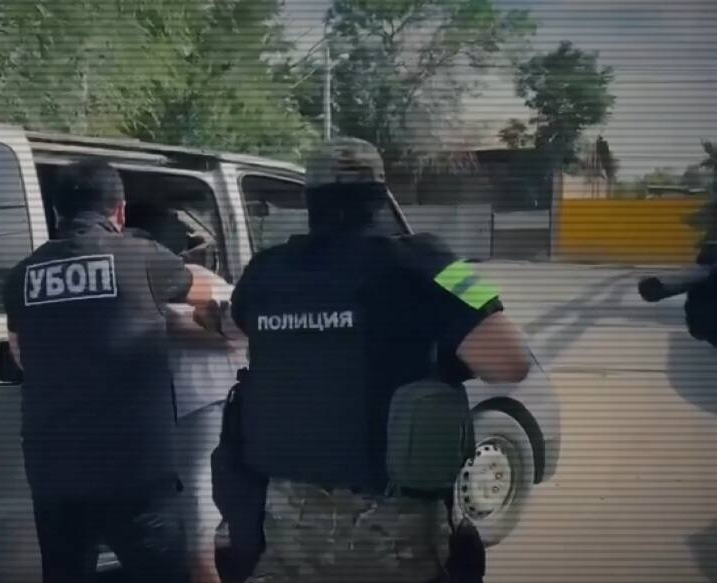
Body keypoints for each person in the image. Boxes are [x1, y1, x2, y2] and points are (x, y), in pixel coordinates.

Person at [219, 137, 531, 583]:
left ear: (310, 200)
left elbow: (240, 326)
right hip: (393, 529)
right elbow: (511, 361)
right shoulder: (432, 262)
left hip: (283, 523)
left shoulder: (264, 271)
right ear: (381, 197)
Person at [2, 159, 227, 583]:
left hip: (53, 469)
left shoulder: (21, 275)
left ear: (57, 212)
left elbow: (21, 355)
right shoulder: (142, 257)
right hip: (133, 469)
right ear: (119, 210)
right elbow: (206, 293)